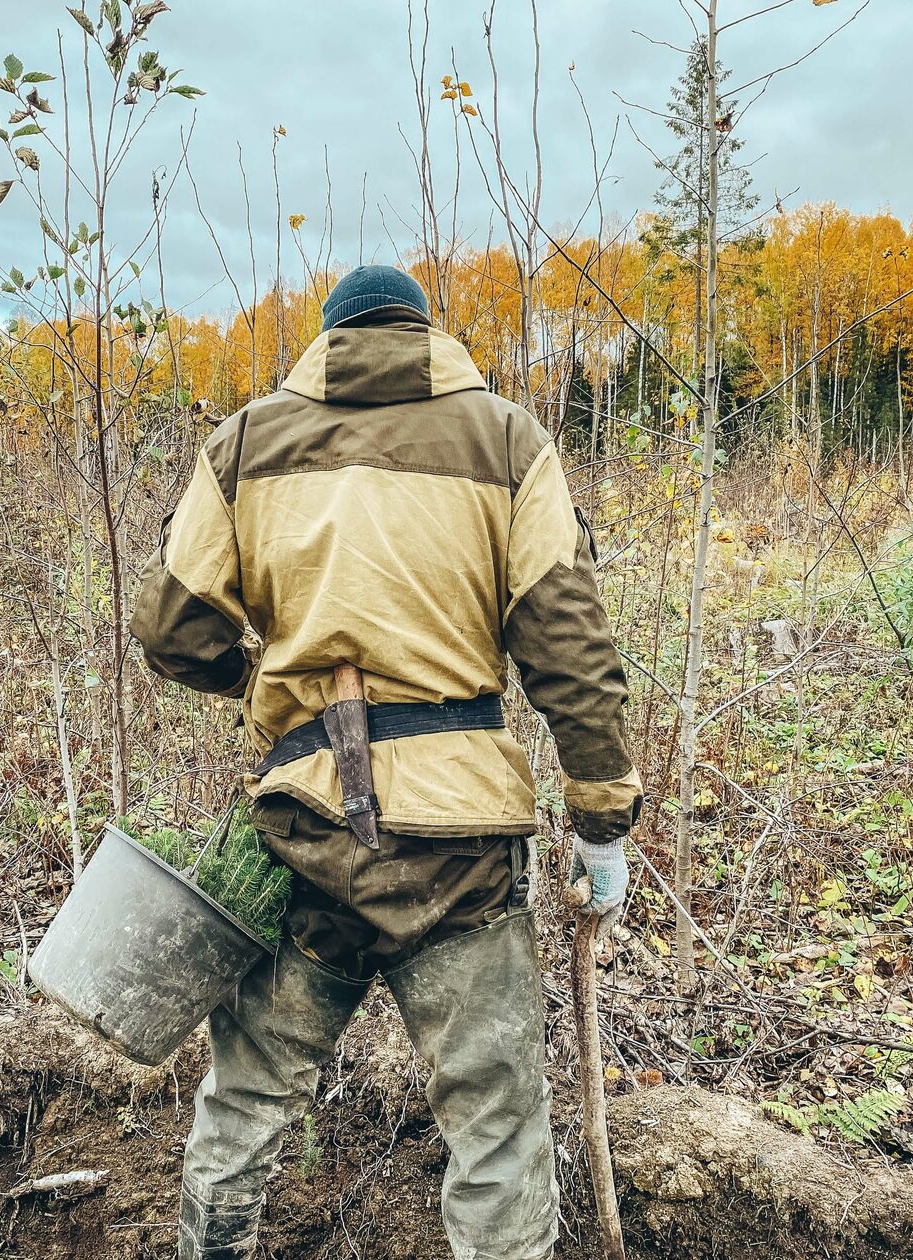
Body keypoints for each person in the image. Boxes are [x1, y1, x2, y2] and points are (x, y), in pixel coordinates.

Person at [130, 264, 640, 1260]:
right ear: (426, 333)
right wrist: (602, 818)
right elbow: (569, 648)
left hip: (303, 832)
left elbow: (170, 630)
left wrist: (269, 690)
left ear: (329, 339)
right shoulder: (504, 441)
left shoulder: (244, 444)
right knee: (494, 1123)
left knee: (244, 1103)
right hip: (458, 849)